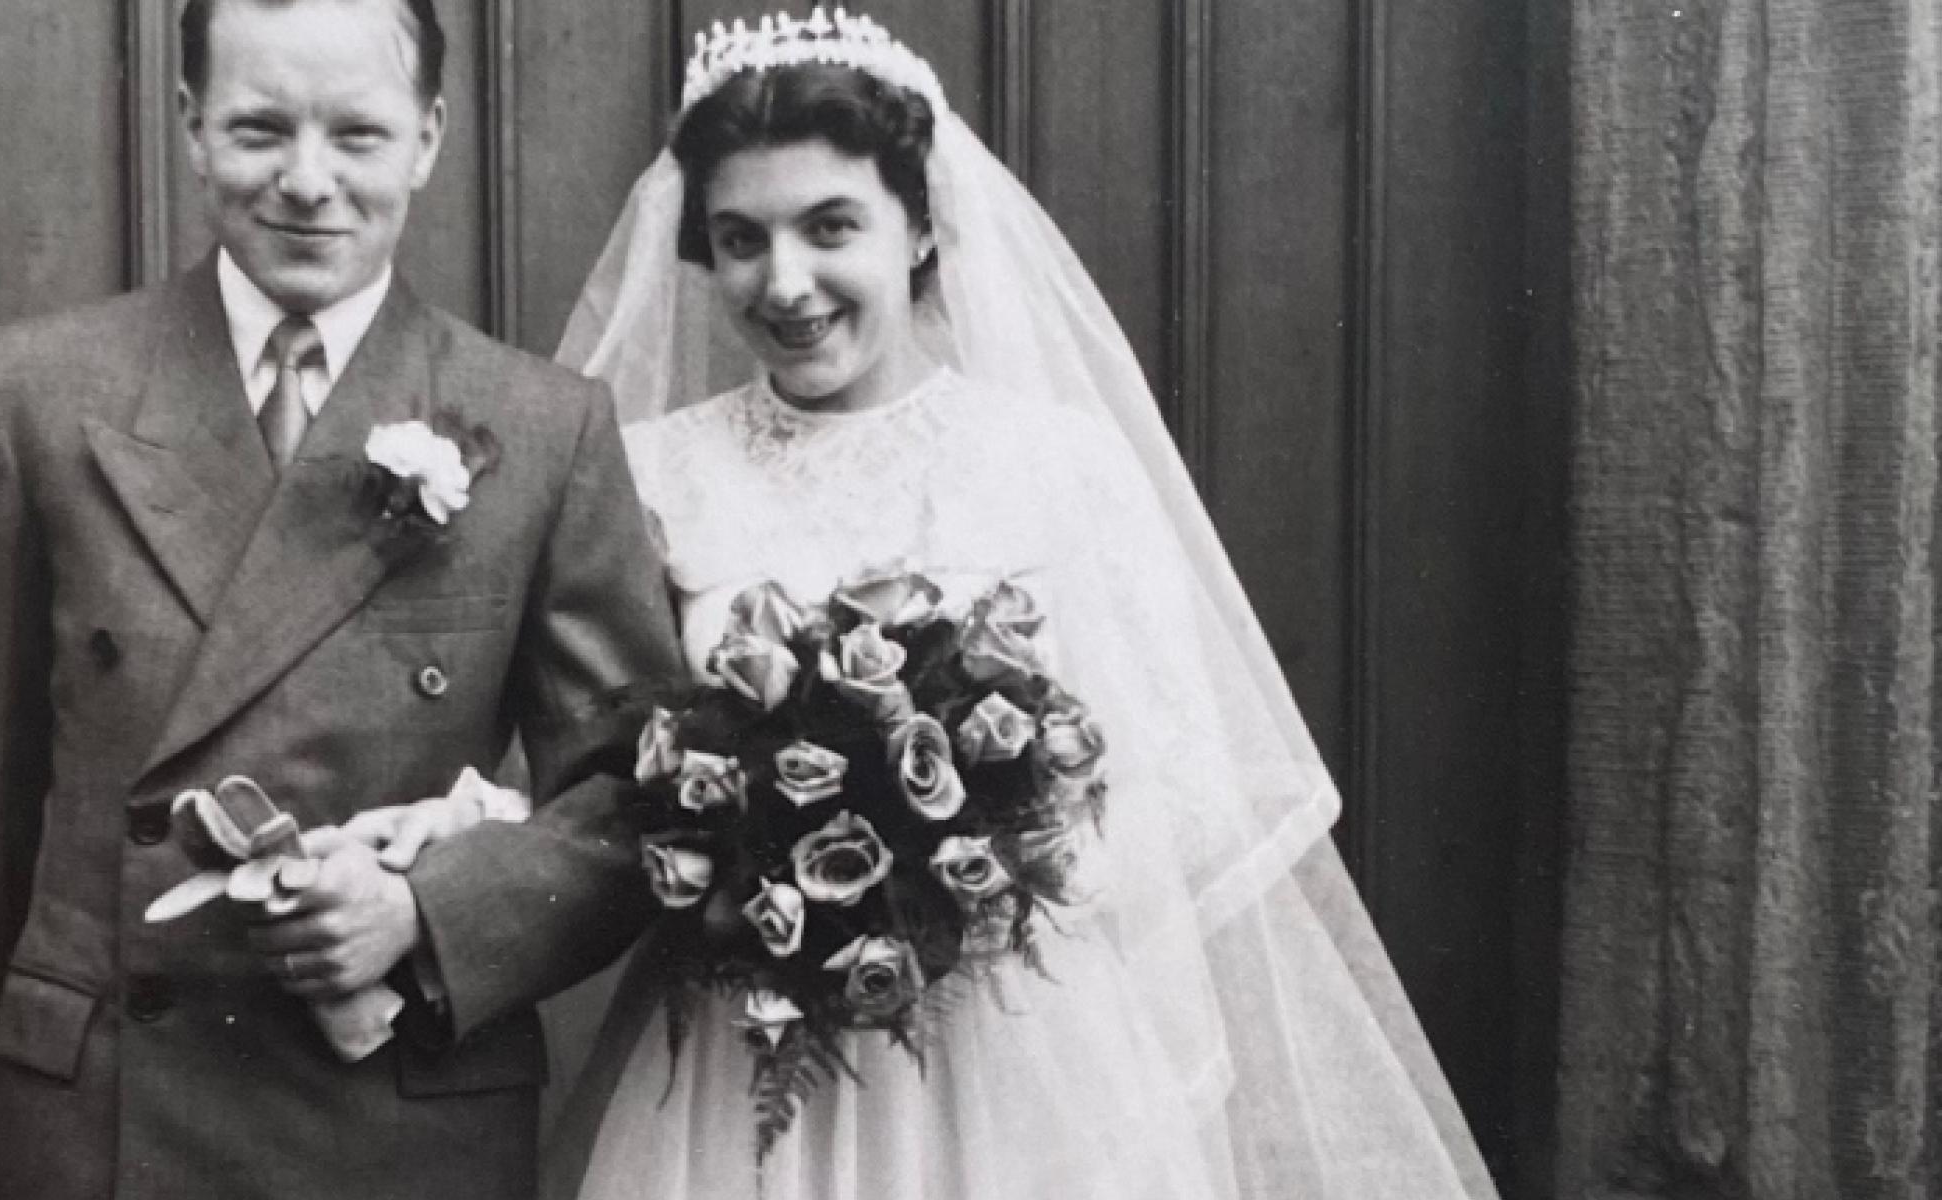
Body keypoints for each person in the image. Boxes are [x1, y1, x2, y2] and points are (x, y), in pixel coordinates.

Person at [529, 9, 1497, 1197]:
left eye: (831, 227)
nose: (784, 283)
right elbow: (608, 777)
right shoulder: (655, 472)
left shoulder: (1056, 461)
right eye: (740, 239)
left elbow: (1173, 788)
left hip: (1019, 1052)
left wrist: (973, 859)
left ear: (923, 224)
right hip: (754, 1050)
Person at [0, 0, 683, 1197]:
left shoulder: (539, 427)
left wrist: (427, 912)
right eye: (261, 129)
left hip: (398, 1113)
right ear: (192, 127)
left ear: (425, 139)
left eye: (357, 136)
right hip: (103, 1118)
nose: (307, 182)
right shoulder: (38, 393)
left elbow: (638, 799)